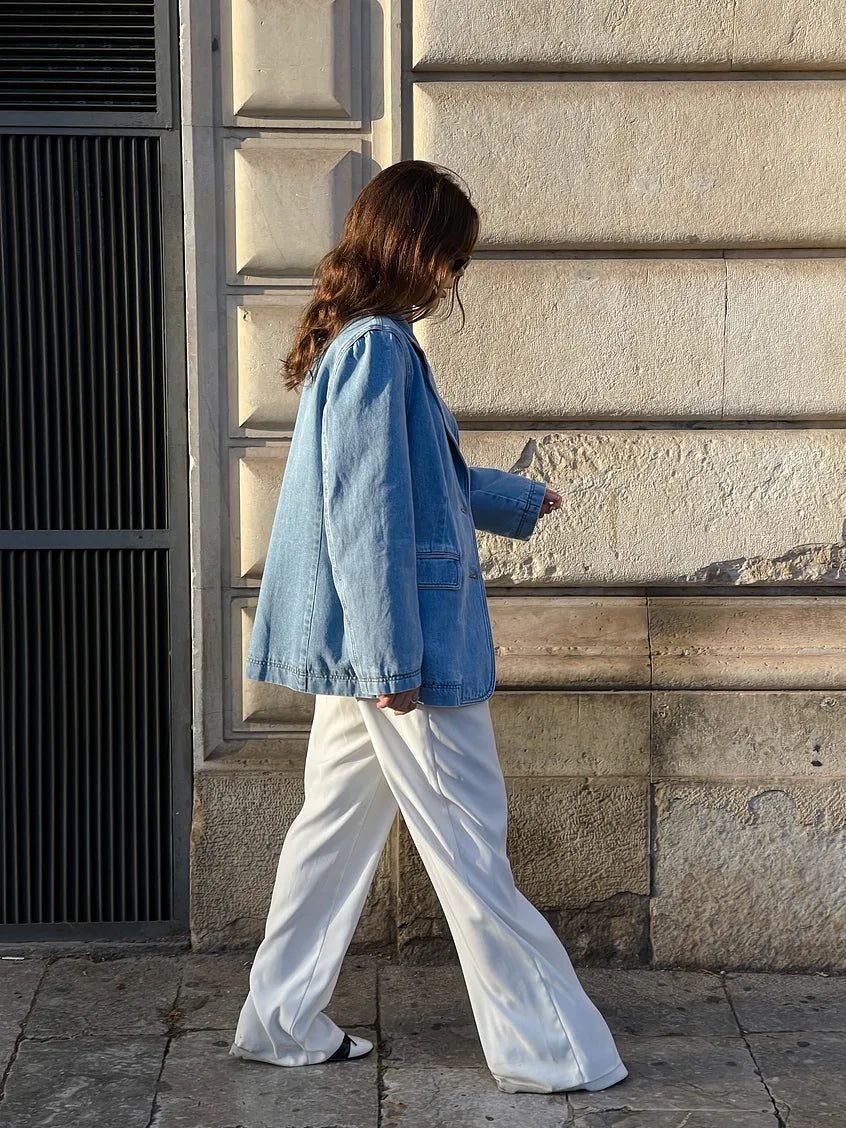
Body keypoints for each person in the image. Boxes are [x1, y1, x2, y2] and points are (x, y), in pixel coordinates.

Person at [228, 160, 629, 1095]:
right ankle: (549, 1049)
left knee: (328, 834)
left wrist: (517, 498)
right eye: (449, 255)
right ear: (413, 248)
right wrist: (389, 662)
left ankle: (279, 1019)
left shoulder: (364, 344)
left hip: (376, 654)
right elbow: (365, 518)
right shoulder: (379, 351)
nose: (454, 278)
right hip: (403, 655)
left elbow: (412, 487)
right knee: (470, 843)